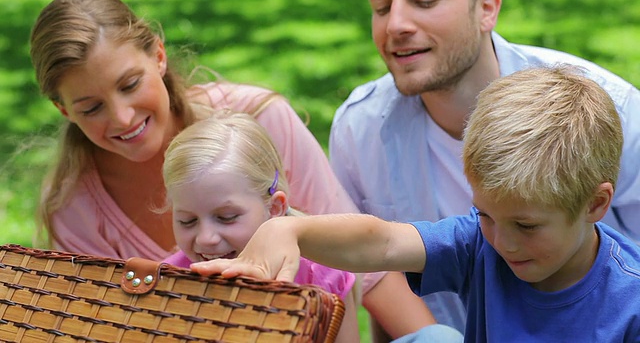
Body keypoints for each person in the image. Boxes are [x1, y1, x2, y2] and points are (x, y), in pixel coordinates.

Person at [28, 0, 435, 340]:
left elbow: (364, 265)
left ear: (158, 55)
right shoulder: (74, 207)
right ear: (63, 110)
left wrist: (433, 336)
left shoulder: (260, 119)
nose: (122, 117)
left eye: (130, 84)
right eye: (91, 107)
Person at [191, 66, 640, 342]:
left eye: (526, 225)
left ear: (595, 204)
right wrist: (288, 229)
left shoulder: (630, 303)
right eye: (485, 214)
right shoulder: (479, 245)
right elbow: (384, 243)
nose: (503, 243)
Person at [329, 0, 640, 334]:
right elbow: (377, 270)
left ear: (487, 9)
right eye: (381, 8)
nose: (395, 24)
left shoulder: (616, 112)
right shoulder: (359, 126)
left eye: (425, 1)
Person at [160, 112, 361, 342]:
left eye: (226, 217)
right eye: (188, 221)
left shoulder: (323, 274)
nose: (206, 238)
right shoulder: (167, 282)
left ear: (274, 208)